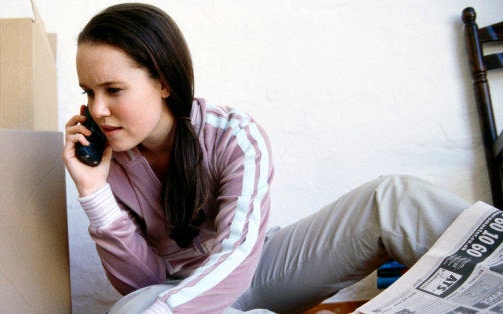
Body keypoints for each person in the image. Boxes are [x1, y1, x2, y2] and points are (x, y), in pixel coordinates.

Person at [62, 3, 472, 313]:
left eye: (113, 90)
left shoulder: (234, 136)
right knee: (132, 309)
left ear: (164, 82)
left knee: (393, 196)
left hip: (260, 268)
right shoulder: (106, 160)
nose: (97, 109)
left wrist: (168, 313)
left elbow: (239, 252)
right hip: (177, 288)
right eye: (88, 92)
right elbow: (145, 283)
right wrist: (95, 192)